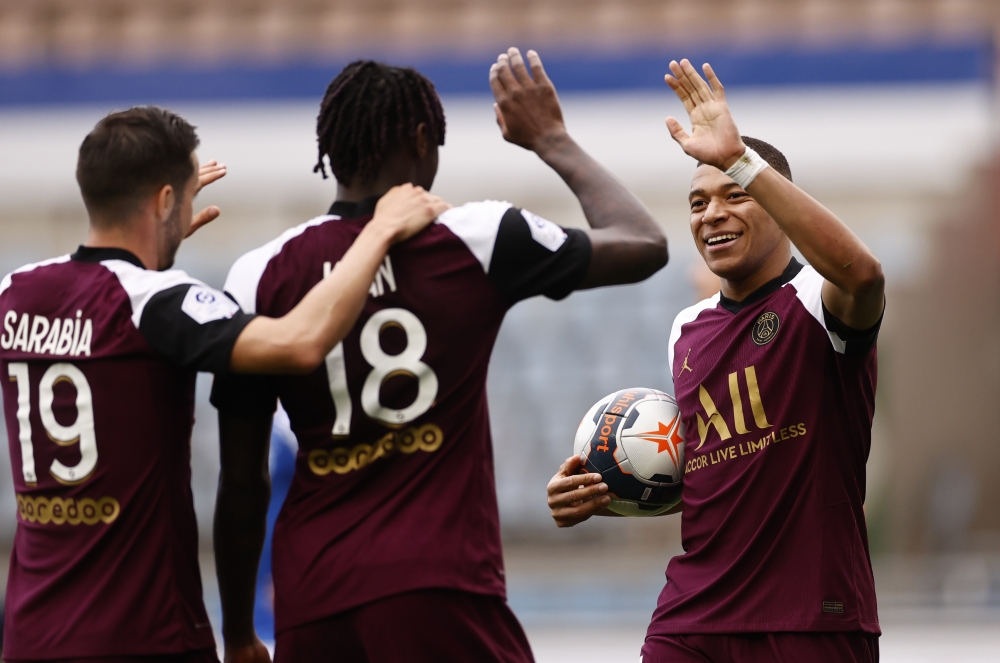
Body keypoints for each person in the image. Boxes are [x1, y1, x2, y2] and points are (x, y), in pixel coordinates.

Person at [211, 48, 668, 662]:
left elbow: (243, 480)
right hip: (440, 585)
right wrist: (551, 139)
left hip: (312, 595)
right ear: (424, 140)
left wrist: (238, 631)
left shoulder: (258, 275)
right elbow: (643, 243)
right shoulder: (474, 237)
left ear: (331, 147)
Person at [0, 106, 447, 662]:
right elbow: (299, 343)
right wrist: (377, 232)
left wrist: (149, 239)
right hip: (143, 633)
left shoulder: (15, 290)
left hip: (30, 635)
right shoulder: (159, 301)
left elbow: (92, 291)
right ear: (166, 201)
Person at [546, 59, 885, 662]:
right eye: (698, 202)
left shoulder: (817, 300)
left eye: (736, 195)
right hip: (693, 616)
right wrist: (608, 492)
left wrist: (741, 160)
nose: (712, 214)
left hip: (813, 617)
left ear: (775, 206)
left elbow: (864, 273)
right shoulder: (687, 329)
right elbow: (719, 476)